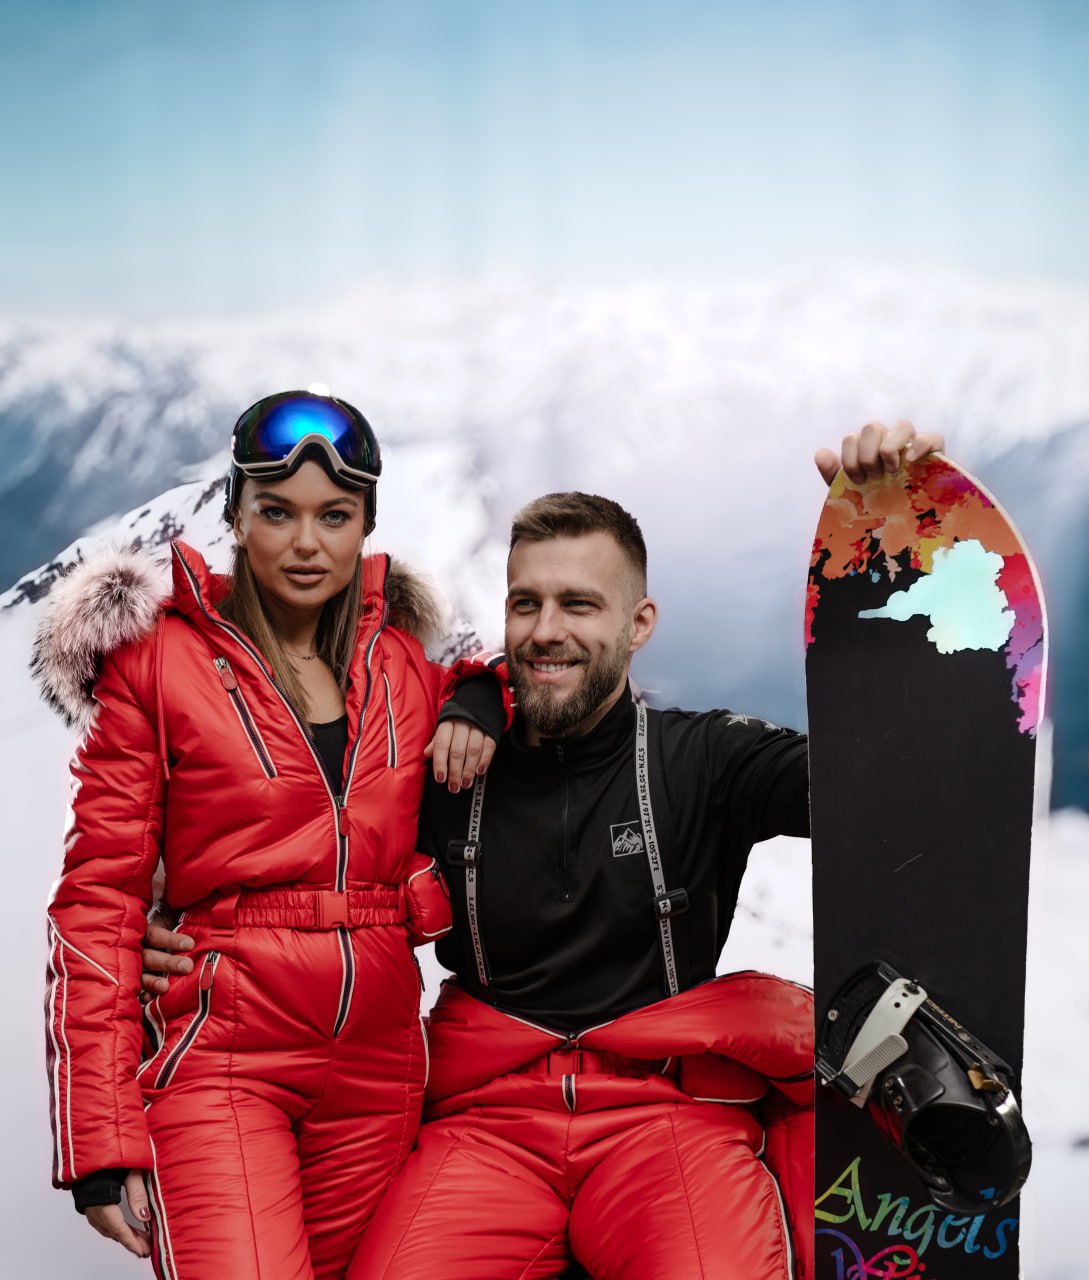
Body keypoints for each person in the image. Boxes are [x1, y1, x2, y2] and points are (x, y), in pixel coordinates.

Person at [145, 419, 943, 1278]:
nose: (545, 629)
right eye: (526, 603)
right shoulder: (445, 766)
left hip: (665, 1121)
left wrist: (894, 553)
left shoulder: (703, 758)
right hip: (485, 1124)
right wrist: (178, 926)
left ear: (639, 624)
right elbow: (311, 856)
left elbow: (876, 791)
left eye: (578, 604)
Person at [35, 388, 506, 1280]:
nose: (305, 542)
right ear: (236, 515)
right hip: (223, 1064)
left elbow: (549, 691)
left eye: (334, 516)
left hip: (376, 1075)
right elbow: (97, 898)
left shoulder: (400, 662)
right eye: (277, 512)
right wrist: (97, 1138)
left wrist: (484, 691)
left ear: (366, 523)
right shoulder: (157, 663)